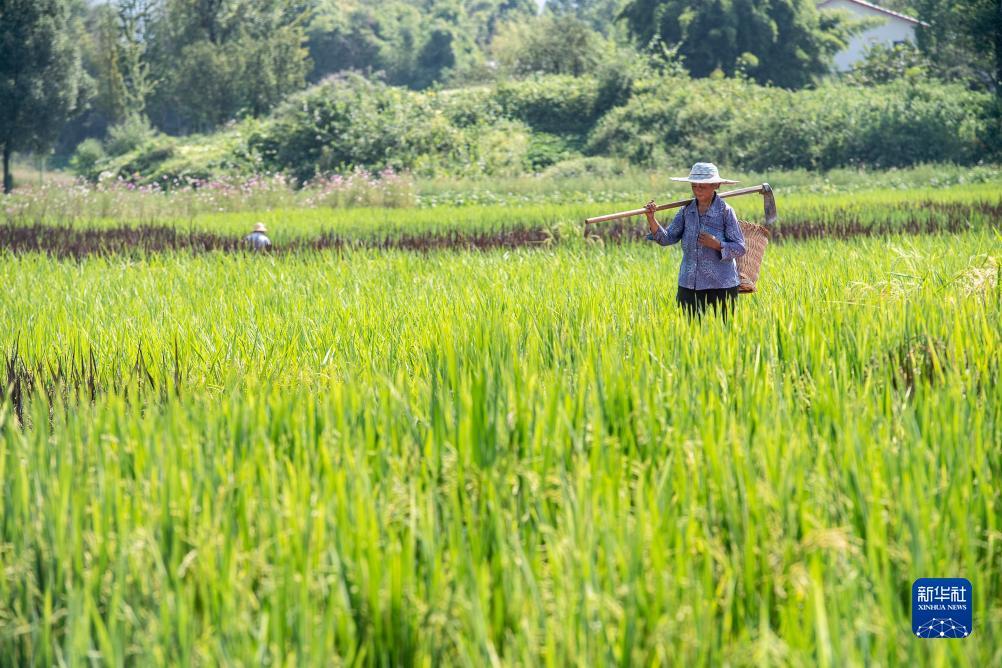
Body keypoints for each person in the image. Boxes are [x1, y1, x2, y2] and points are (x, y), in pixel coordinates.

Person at [645, 162, 746, 320]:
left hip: (721, 286)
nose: (698, 190)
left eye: (703, 186)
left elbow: (740, 248)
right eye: (694, 186)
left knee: (723, 336)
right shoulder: (686, 212)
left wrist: (717, 244)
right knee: (690, 334)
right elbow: (666, 238)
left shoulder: (726, 212)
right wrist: (651, 218)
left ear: (716, 185)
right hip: (689, 284)